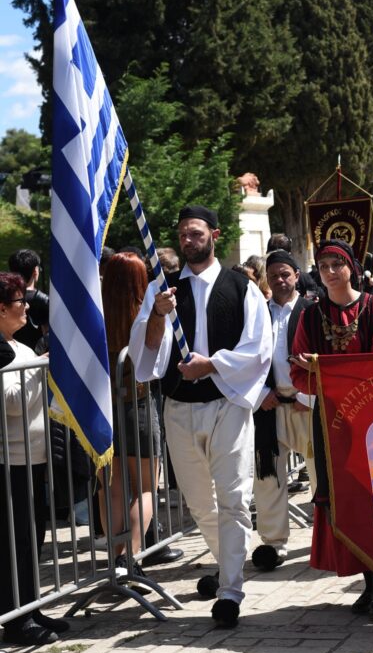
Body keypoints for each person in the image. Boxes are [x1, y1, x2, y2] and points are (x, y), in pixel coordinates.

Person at [128, 205, 271, 628]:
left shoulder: (239, 287)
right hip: (178, 407)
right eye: (183, 235)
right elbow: (144, 352)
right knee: (197, 501)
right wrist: (157, 313)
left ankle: (230, 589)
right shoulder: (165, 289)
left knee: (233, 497)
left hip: (226, 402)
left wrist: (212, 365)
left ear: (214, 234)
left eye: (196, 233)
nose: (189, 241)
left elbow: (258, 347)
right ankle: (225, 563)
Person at [290, 238, 373, 621]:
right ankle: (369, 585)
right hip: (331, 421)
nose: (330, 272)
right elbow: (299, 374)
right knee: (344, 502)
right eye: (324, 265)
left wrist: (325, 368)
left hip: (371, 422)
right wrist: (320, 374)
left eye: (337, 264)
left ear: (351, 266)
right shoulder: (310, 316)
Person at [0, 272, 70, 646]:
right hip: (10, 461)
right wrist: (39, 371)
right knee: (16, 543)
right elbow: (11, 404)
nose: (26, 307)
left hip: (35, 459)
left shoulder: (19, 346)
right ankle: (15, 618)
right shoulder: (3, 349)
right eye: (18, 302)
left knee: (35, 537)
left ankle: (30, 606)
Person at [100, 253, 167, 581]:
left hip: (103, 410)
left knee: (111, 488)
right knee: (145, 488)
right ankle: (132, 556)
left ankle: (115, 558)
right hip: (138, 405)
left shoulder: (94, 314)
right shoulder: (146, 315)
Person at [252, 250, 317, 572]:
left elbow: (322, 354)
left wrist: (311, 394)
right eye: (274, 275)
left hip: (306, 404)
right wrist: (261, 393)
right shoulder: (258, 314)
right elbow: (248, 359)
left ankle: (326, 539)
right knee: (268, 478)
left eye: (285, 274)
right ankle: (273, 543)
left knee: (320, 474)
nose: (280, 280)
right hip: (269, 406)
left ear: (296, 275)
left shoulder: (312, 311)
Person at [8, 249, 49, 352]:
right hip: (37, 359)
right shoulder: (44, 300)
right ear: (35, 271)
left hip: (10, 355)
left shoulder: (6, 298)